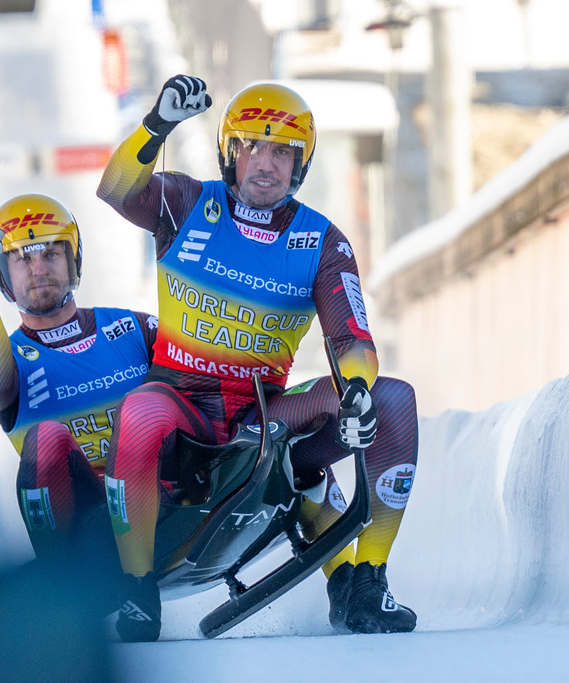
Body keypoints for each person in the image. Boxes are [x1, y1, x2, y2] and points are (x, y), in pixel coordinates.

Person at [96, 75, 420, 641]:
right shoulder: (185, 203)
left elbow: (352, 341)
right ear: (229, 152)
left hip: (263, 413)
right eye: (251, 146)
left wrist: (358, 389)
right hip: (183, 407)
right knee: (143, 411)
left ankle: (366, 582)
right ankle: (136, 591)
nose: (264, 163)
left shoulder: (323, 241)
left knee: (393, 399)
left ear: (301, 164)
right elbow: (119, 189)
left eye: (281, 151)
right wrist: (156, 124)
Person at [0, 193, 158, 572]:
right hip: (85, 523)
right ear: (3, 276)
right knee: (46, 437)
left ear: (74, 261)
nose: (38, 270)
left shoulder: (133, 327)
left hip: (161, 500)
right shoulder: (9, 357)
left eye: (50, 254)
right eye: (22, 259)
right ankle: (63, 591)